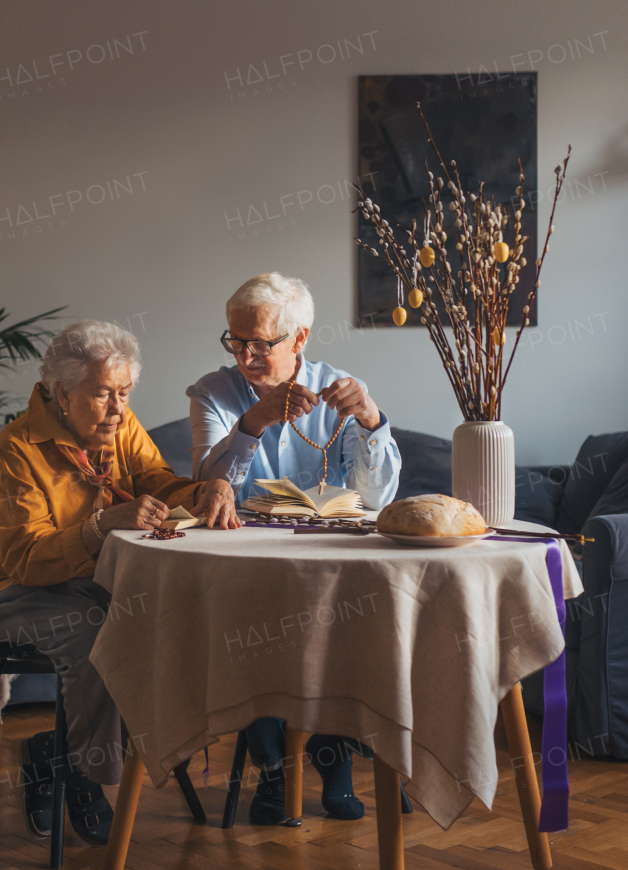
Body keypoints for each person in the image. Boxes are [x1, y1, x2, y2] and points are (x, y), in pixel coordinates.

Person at [0, 320, 241, 845]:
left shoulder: (120, 426)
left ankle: (54, 751)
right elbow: (26, 559)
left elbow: (157, 481)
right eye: (104, 395)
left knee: (160, 613)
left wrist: (210, 487)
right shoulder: (14, 454)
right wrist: (99, 527)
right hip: (9, 593)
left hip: (89, 583)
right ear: (62, 394)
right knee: (99, 630)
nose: (118, 409)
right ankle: (87, 778)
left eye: (124, 393)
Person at [187, 272, 402, 825]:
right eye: (237, 341)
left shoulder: (340, 387)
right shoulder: (214, 393)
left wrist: (372, 420)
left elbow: (376, 499)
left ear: (300, 339)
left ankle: (334, 767)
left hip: (331, 566)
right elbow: (205, 488)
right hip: (247, 565)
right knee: (238, 631)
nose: (246, 354)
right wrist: (253, 422)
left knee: (341, 626)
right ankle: (275, 771)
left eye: (262, 342)